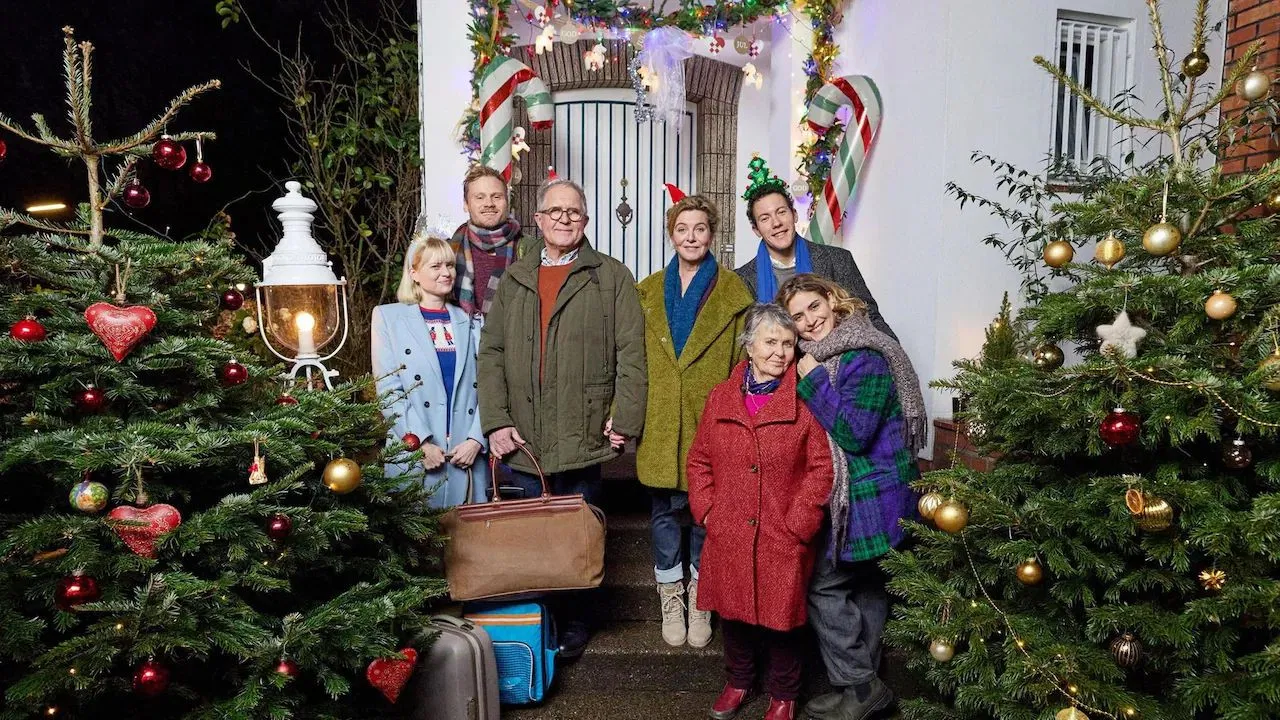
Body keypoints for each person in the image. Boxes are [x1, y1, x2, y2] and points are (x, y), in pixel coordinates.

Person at [477, 175, 647, 658]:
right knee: (532, 539)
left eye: (573, 212)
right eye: (555, 212)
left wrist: (626, 419)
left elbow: (632, 354)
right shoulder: (515, 278)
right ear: (537, 220)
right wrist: (496, 421)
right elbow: (491, 353)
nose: (564, 219)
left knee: (578, 536)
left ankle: (578, 620)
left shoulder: (611, 276)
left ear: (586, 220)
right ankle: (539, 619)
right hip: (524, 434)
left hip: (583, 428)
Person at [777, 274, 926, 720]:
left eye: (813, 308)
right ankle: (865, 689)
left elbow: (853, 433)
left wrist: (814, 381)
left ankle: (859, 686)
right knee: (868, 585)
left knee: (824, 585)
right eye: (797, 317)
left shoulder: (865, 354)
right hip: (865, 490)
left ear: (832, 301)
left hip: (873, 492)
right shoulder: (828, 354)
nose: (808, 322)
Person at [687, 304, 834, 720]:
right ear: (749, 346)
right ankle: (737, 682)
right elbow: (698, 460)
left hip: (781, 532)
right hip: (729, 528)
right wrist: (709, 512)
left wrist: (799, 523)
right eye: (771, 342)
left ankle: (784, 694)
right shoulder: (720, 396)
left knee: (782, 620)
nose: (780, 352)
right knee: (733, 616)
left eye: (788, 344)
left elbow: (821, 468)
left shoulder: (805, 401)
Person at [635, 187, 753, 648]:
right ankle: (671, 596)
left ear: (712, 234)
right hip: (662, 419)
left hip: (712, 420)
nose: (691, 236)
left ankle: (703, 597)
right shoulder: (646, 292)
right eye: (682, 229)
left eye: (699, 228)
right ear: (671, 235)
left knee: (708, 514)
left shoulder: (733, 293)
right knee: (664, 513)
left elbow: (744, 367)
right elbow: (633, 360)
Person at [372, 235, 488, 509]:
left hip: (465, 455)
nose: (446, 273)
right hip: (415, 451)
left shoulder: (470, 320)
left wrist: (475, 440)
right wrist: (420, 443)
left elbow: (488, 385)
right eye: (435, 266)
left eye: (449, 265)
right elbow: (389, 390)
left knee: (467, 547)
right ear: (414, 272)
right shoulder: (389, 318)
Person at [733, 156, 895, 339]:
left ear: (794, 215)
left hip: (840, 361)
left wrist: (894, 358)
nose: (776, 223)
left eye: (781, 212)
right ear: (756, 230)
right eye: (765, 218)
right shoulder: (742, 279)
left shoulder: (838, 260)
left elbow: (870, 317)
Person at [448, 165, 539, 322]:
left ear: (507, 201)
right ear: (466, 204)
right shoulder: (448, 251)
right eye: (480, 197)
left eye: (496, 196)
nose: (489, 203)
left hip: (513, 342)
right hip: (463, 342)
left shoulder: (530, 249)